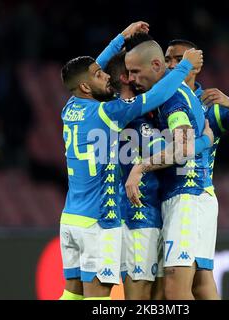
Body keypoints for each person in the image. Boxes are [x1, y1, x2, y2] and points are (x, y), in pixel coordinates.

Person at [58, 26, 203, 300]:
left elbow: (86, 72)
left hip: (70, 218)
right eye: (100, 75)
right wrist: (183, 69)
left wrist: (119, 39)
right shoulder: (108, 112)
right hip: (97, 221)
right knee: (98, 300)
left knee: (72, 294)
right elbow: (156, 97)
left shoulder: (70, 106)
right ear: (87, 86)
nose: (107, 76)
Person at [105, 52, 212, 300]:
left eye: (136, 72)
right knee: (151, 295)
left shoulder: (158, 105)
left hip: (169, 203)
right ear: (123, 78)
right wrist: (204, 140)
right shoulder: (127, 115)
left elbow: (161, 96)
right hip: (139, 212)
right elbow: (179, 146)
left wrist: (119, 40)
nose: (133, 79)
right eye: (129, 74)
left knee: (168, 294)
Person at [164, 39, 229, 299]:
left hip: (192, 197)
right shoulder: (163, 99)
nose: (170, 65)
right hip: (170, 198)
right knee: (199, 280)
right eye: (167, 59)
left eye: (177, 59)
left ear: (195, 66)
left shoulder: (209, 107)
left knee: (178, 283)